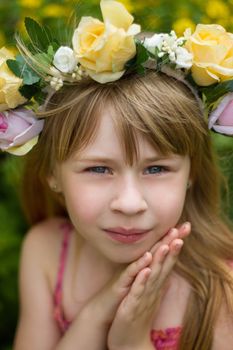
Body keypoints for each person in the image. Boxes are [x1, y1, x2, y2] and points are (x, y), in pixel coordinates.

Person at [0, 1, 232, 349]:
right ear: (52, 173)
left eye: (156, 168)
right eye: (98, 168)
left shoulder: (220, 289)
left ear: (192, 171)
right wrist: (96, 315)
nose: (129, 203)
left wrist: (131, 341)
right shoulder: (47, 252)